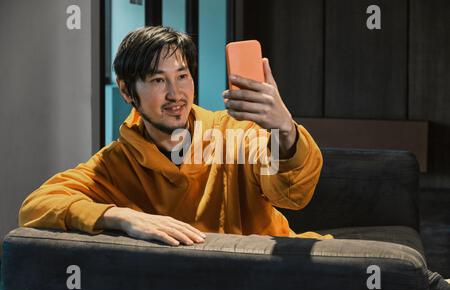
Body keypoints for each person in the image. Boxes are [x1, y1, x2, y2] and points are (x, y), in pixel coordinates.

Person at [19, 26, 330, 247]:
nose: (175, 94)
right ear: (127, 90)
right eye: (158, 80)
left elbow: (292, 196)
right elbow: (36, 206)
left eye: (182, 76)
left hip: (263, 276)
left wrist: (284, 129)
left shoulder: (235, 132)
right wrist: (121, 216)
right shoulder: (115, 163)